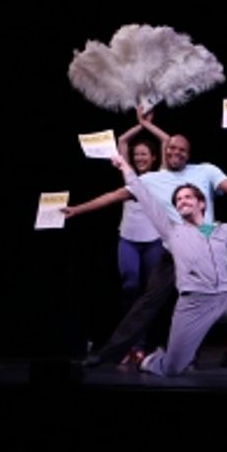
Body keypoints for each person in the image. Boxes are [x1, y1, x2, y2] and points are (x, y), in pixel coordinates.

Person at [70, 132, 227, 367]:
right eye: (171, 148)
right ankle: (109, 355)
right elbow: (116, 195)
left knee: (212, 295)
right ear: (164, 150)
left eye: (182, 149)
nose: (176, 152)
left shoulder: (205, 171)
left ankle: (204, 357)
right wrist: (77, 209)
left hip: (205, 241)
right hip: (175, 244)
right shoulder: (152, 179)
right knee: (146, 305)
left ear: (188, 155)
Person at [63, 105, 169, 364]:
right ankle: (129, 344)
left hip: (153, 242)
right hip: (128, 240)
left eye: (144, 154)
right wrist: (139, 123)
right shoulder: (129, 177)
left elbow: (167, 140)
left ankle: (142, 345)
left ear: (154, 158)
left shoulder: (161, 177)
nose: (140, 158)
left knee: (149, 294)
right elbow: (122, 141)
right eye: (136, 154)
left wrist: (148, 125)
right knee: (130, 286)